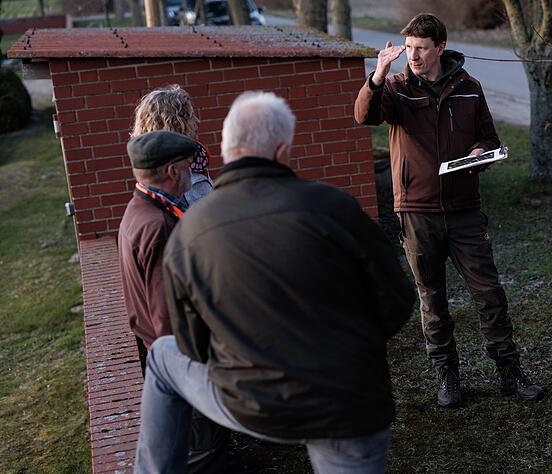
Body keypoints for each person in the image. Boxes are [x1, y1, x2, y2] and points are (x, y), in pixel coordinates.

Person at [134, 92, 415, 473]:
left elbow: (192, 343)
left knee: (164, 355)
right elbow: (397, 303)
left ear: (226, 149)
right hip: (345, 402)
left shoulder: (189, 229)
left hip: (248, 403)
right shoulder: (336, 207)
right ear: (283, 151)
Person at [354, 12, 543, 409]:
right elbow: (364, 116)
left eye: (420, 48)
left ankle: (509, 372)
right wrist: (376, 75)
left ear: (440, 47)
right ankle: (447, 377)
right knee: (432, 299)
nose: (413, 56)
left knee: (489, 294)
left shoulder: (469, 88)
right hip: (416, 211)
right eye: (408, 48)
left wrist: (480, 154)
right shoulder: (397, 87)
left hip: (464, 210)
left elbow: (488, 139)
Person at [119, 130, 229, 472]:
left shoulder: (139, 211)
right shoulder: (158, 225)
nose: (191, 172)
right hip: (181, 358)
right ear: (172, 171)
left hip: (165, 353)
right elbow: (166, 311)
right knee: (205, 449)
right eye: (186, 165)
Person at [132, 84, 213, 205]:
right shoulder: (184, 176)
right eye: (190, 117)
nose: (197, 121)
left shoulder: (151, 170)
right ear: (177, 124)